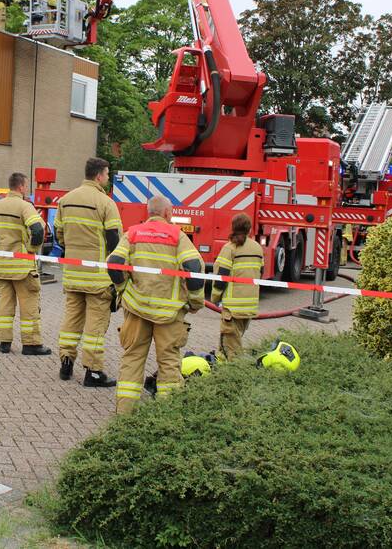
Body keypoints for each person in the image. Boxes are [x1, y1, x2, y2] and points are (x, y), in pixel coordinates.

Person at [107, 196, 204, 414]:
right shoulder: (178, 236)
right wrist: (196, 301)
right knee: (169, 364)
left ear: (148, 212)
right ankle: (165, 419)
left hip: (137, 309)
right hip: (168, 315)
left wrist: (123, 290)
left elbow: (114, 264)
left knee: (131, 360)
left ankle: (124, 415)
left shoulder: (132, 234)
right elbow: (194, 269)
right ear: (168, 213)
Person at [54, 158, 122, 386]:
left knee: (71, 320)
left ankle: (66, 363)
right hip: (98, 278)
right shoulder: (106, 202)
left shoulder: (65, 200)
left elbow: (59, 235)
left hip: (72, 274)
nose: (108, 177)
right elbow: (114, 240)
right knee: (95, 327)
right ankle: (93, 372)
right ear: (99, 176)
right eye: (107, 173)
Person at [0, 172, 52, 356]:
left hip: (1, 265)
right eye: (26, 186)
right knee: (29, 306)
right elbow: (37, 230)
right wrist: (31, 249)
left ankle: (4, 343)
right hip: (22, 267)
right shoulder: (25, 206)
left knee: (5, 305)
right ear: (22, 187)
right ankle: (31, 344)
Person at [211, 213, 264, 360]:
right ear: (249, 229)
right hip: (249, 307)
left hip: (232, 309)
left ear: (233, 228)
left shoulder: (230, 248)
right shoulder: (258, 248)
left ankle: (233, 375)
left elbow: (221, 277)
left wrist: (215, 297)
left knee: (229, 351)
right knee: (231, 344)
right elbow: (261, 272)